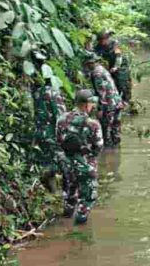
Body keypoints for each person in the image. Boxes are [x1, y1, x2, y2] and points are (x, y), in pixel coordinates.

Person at [56, 89, 104, 224]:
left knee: (70, 189)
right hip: (85, 163)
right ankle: (80, 229)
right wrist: (89, 159)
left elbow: (58, 140)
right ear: (86, 104)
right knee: (88, 196)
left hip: (66, 161)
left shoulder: (61, 119)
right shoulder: (93, 124)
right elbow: (98, 146)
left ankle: (67, 216)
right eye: (91, 103)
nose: (93, 106)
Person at [32, 56, 67, 192]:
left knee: (47, 160)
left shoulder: (37, 93)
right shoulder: (54, 93)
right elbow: (61, 116)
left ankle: (51, 191)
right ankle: (63, 193)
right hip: (52, 133)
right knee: (61, 163)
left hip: (41, 133)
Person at [84, 53, 123, 146]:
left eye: (89, 64)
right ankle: (116, 153)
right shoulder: (102, 69)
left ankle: (108, 154)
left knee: (106, 130)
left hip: (109, 104)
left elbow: (102, 92)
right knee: (116, 129)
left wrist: (100, 109)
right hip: (117, 102)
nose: (88, 66)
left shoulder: (96, 73)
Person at [94, 30, 133, 104]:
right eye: (100, 40)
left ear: (107, 39)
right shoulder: (98, 46)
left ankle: (126, 100)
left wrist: (116, 67)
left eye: (103, 40)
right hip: (108, 65)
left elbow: (119, 57)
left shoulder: (114, 44)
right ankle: (113, 100)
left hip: (121, 65)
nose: (101, 42)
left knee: (122, 82)